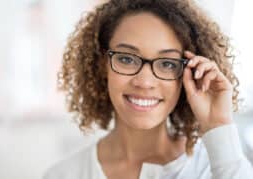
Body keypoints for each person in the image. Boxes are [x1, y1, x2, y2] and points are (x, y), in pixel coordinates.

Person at [44, 0, 253, 178]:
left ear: (188, 72)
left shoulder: (216, 167)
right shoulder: (64, 174)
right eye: (126, 59)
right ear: (102, 64)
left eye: (167, 63)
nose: (144, 82)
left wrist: (218, 123)